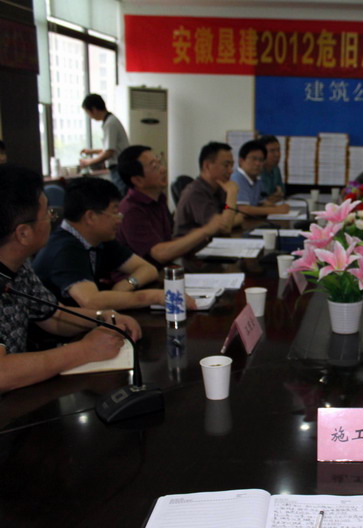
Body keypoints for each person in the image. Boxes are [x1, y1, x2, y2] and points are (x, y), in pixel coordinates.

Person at [0, 165, 141, 392]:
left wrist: (104, 317)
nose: (53, 219)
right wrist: (84, 350)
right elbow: (2, 373)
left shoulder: (19, 266)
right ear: (23, 233)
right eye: (48, 213)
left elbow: (55, 317)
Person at [33, 177, 166, 310]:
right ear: (90, 217)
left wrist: (126, 285)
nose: (119, 219)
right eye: (115, 212)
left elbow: (149, 269)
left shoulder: (99, 239)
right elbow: (91, 301)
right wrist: (152, 297)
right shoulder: (64, 249)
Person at [117, 145, 222, 265]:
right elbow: (160, 254)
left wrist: (197, 236)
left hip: (165, 269)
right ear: (137, 180)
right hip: (143, 275)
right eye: (155, 167)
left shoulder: (159, 200)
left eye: (160, 162)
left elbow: (169, 241)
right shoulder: (131, 211)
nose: (164, 169)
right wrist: (205, 230)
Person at [173, 142, 243, 238]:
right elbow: (225, 227)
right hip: (194, 246)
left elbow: (239, 217)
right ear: (207, 166)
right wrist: (232, 194)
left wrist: (228, 221)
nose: (231, 171)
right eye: (226, 165)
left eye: (232, 165)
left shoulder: (219, 187)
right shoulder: (195, 192)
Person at [79, 94, 130, 195]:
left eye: (88, 113)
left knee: (121, 196)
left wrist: (88, 162)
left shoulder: (110, 124)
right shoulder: (111, 120)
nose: (89, 117)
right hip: (121, 167)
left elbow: (109, 152)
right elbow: (110, 148)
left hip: (119, 167)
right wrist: (91, 152)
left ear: (94, 110)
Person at [230, 141, 290, 217]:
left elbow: (262, 203)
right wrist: (276, 210)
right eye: (254, 159)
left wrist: (279, 207)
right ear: (241, 161)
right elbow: (243, 209)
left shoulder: (256, 179)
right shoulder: (237, 178)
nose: (258, 163)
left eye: (261, 160)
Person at [258, 135, 285, 204]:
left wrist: (277, 195)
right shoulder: (256, 171)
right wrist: (274, 197)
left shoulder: (275, 168)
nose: (277, 154)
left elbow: (282, 192)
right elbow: (260, 202)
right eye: (272, 151)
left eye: (278, 150)